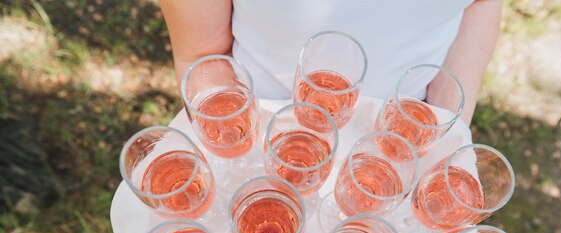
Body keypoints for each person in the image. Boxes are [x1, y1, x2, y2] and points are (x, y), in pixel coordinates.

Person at [159, 0, 502, 126]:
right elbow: (202, 58)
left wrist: (448, 125)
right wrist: (233, 148)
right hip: (262, 128)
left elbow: (480, 4)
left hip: (404, 139)